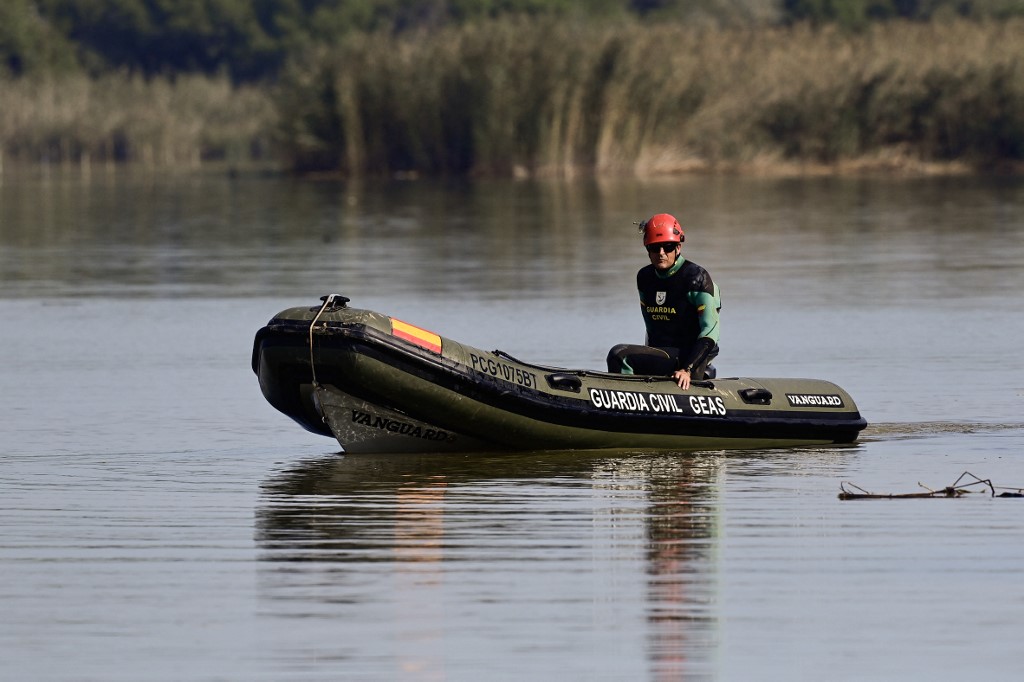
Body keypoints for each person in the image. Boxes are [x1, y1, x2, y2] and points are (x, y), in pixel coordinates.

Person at [606, 213, 721, 389]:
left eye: (667, 247)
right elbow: (652, 329)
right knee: (624, 356)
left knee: (619, 355)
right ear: (647, 250)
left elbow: (710, 333)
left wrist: (687, 369)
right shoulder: (644, 277)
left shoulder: (696, 278)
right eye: (655, 248)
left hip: (692, 353)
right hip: (664, 352)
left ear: (678, 248)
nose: (661, 253)